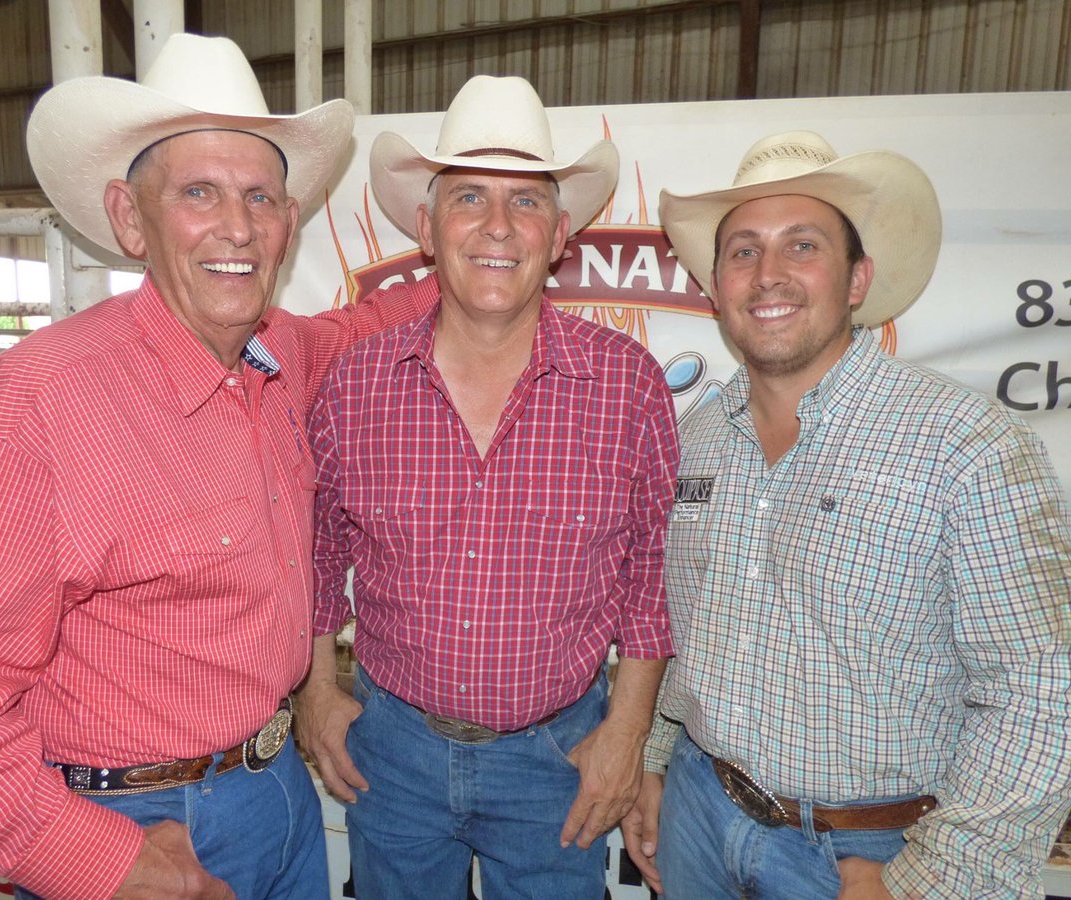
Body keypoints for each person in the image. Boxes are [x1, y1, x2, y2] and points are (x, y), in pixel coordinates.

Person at [0, 34, 434, 900]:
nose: (239, 227)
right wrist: (100, 861)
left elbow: (361, 329)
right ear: (130, 219)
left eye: (260, 197)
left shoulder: (278, 350)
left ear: (287, 222)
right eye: (198, 193)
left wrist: (477, 261)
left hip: (277, 789)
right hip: (140, 824)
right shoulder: (39, 406)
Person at [620, 130, 1071, 898]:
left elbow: (1041, 686)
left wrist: (929, 881)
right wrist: (657, 763)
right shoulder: (695, 440)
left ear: (857, 279)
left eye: (803, 246)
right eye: (743, 251)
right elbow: (687, 627)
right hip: (699, 814)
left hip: (873, 853)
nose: (769, 275)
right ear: (717, 285)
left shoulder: (967, 443)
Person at [294, 75, 680, 899]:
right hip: (390, 752)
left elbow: (652, 576)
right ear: (429, 230)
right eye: (469, 197)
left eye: (527, 202)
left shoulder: (628, 385)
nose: (498, 227)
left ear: (561, 233)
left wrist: (628, 732)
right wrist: (318, 690)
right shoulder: (357, 385)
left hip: (560, 757)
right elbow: (318, 551)